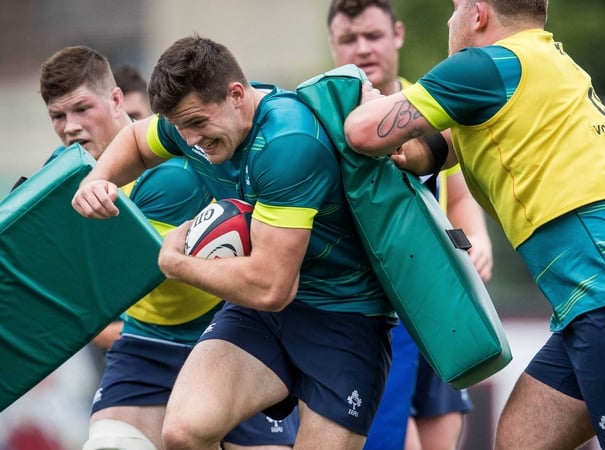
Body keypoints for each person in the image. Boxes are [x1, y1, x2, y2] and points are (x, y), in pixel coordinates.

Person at [343, 1, 605, 449]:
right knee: (519, 440)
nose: (448, 21)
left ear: (477, 14)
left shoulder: (483, 66)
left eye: (454, 9)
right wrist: (408, 148)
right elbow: (441, 147)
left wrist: (358, 93)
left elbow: (360, 131)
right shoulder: (548, 62)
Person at [71, 36, 396, 450]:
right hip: (263, 316)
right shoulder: (194, 120)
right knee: (184, 432)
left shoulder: (286, 144)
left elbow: (272, 286)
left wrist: (176, 262)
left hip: (345, 316)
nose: (189, 141)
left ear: (237, 95)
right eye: (180, 128)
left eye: (197, 125)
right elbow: (136, 140)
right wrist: (95, 180)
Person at [41, 45, 297, 450]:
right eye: (58, 116)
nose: (70, 126)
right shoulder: (63, 173)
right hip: (148, 341)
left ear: (115, 99)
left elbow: (118, 273)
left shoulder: (169, 177)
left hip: (227, 334)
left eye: (81, 109)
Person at [327, 1, 492, 449]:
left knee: (443, 435)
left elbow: (456, 196)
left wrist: (474, 241)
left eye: (373, 36)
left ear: (397, 35)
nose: (362, 49)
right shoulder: (323, 120)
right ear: (332, 44)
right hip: (370, 314)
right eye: (349, 39)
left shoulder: (428, 104)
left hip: (435, 302)